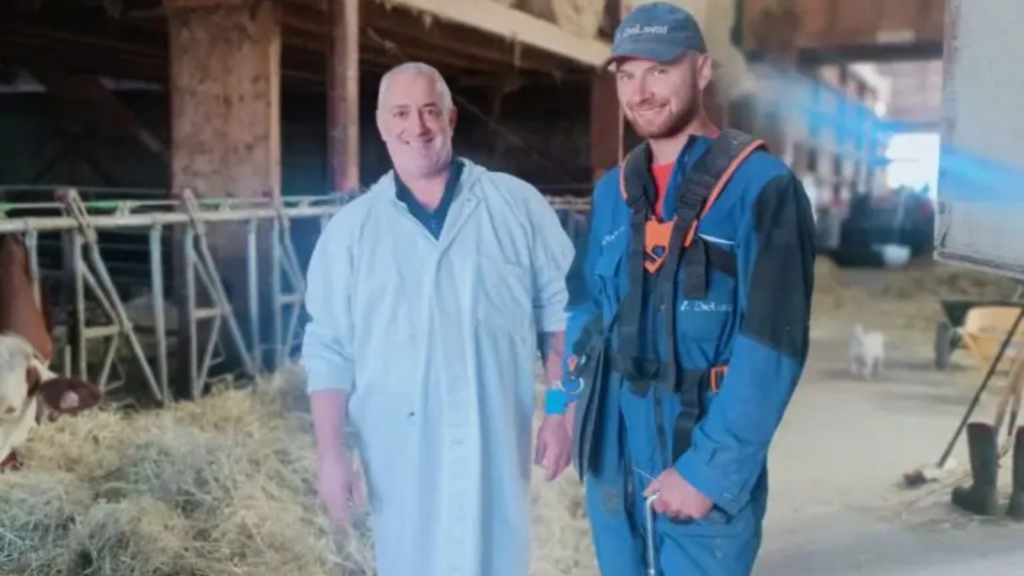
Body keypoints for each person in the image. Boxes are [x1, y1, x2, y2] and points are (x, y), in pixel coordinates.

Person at [563, 3, 816, 575]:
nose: (640, 92)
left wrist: (710, 471)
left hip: (696, 446)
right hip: (613, 460)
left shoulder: (762, 189)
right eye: (627, 75)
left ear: (702, 71)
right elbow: (584, 309)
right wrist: (566, 407)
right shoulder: (612, 193)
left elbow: (772, 346)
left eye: (660, 70)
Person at [300, 61, 576, 576]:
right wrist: (331, 456)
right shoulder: (351, 233)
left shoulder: (515, 206)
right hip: (399, 454)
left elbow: (560, 317)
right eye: (401, 113)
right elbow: (328, 351)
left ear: (451, 118)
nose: (417, 126)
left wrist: (561, 412)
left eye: (430, 111)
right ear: (382, 125)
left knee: (497, 562)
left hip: (494, 448)